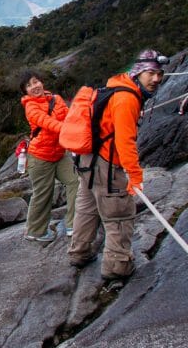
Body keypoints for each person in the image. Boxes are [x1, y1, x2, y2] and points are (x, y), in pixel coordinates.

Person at [67, 49, 166, 282]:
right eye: (150, 73)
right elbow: (125, 142)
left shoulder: (117, 85)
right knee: (119, 214)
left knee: (87, 208)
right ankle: (117, 266)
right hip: (106, 164)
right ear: (139, 73)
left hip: (86, 159)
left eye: (159, 74)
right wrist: (135, 176)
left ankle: (79, 252)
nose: (156, 79)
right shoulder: (127, 99)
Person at [19, 70, 79, 242]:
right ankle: (35, 231)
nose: (34, 86)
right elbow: (47, 123)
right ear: (26, 91)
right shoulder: (30, 107)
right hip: (40, 157)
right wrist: (67, 129)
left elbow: (69, 116)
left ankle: (74, 225)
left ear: (41, 82)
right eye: (29, 85)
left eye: (35, 82)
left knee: (76, 181)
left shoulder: (56, 99)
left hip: (59, 153)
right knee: (43, 194)